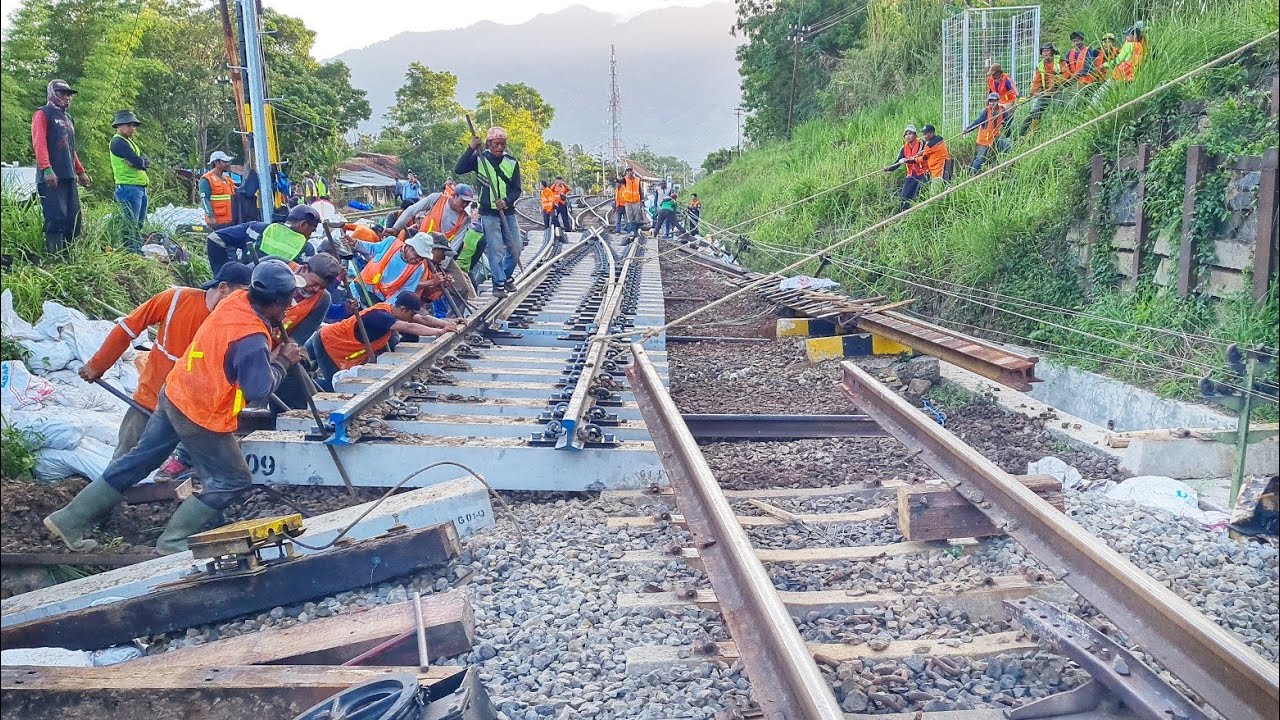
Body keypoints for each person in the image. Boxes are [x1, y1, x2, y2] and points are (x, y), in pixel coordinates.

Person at [44, 260, 306, 554]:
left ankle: (68, 519)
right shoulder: (251, 339)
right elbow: (258, 389)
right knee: (232, 479)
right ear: (277, 302)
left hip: (175, 392)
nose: (290, 307)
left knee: (139, 460)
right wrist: (283, 360)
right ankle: (173, 541)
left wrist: (270, 336)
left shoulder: (236, 300)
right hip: (201, 411)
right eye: (288, 301)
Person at [78, 263, 252, 467]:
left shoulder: (234, 322)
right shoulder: (175, 300)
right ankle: (111, 485)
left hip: (197, 412)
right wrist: (97, 365)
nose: (244, 301)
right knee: (124, 459)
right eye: (242, 293)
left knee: (195, 467)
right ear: (223, 288)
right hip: (152, 399)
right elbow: (127, 328)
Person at [308, 290, 453, 391]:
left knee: (311, 367)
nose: (413, 317)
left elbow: (422, 319)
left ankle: (307, 380)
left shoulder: (393, 311)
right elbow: (409, 327)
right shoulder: (381, 315)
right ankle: (306, 390)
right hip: (327, 342)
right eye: (412, 313)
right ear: (403, 309)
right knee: (335, 384)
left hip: (337, 345)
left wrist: (446, 324)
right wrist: (438, 332)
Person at [455, 126, 523, 298]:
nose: (499, 147)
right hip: (488, 213)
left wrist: (506, 201)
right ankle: (498, 283)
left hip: (508, 212)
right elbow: (459, 169)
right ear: (488, 143)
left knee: (516, 248)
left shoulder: (511, 162)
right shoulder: (479, 158)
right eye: (496, 144)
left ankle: (505, 275)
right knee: (496, 249)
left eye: (503, 144)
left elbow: (517, 190)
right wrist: (470, 148)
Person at [32, 79, 90, 255]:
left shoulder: (68, 118)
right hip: (51, 177)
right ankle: (54, 257)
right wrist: (47, 169)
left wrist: (80, 172)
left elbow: (70, 149)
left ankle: (68, 257)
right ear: (52, 93)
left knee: (73, 218)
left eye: (69, 95)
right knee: (56, 217)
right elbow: (39, 143)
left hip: (69, 176)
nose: (67, 97)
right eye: (63, 93)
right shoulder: (42, 114)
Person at [206, 204, 320, 273]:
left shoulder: (256, 228)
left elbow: (214, 238)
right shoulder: (307, 248)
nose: (310, 236)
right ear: (303, 224)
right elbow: (307, 279)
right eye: (311, 231)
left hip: (243, 287)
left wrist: (223, 272)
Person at [109, 110, 149, 251]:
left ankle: (136, 250)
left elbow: (143, 161)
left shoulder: (129, 142)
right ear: (119, 126)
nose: (133, 128)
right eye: (129, 125)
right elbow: (138, 161)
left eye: (133, 125)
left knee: (138, 223)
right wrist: (139, 162)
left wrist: (140, 162)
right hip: (128, 187)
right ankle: (130, 251)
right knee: (130, 222)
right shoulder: (118, 142)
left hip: (138, 186)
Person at [356, 229, 434, 301]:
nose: (418, 260)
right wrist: (356, 243)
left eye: (422, 258)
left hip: (380, 299)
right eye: (417, 255)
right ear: (409, 247)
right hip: (361, 284)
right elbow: (372, 249)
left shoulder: (418, 268)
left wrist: (384, 307)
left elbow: (405, 291)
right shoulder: (391, 242)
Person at [282, 252, 343, 344]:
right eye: (315, 283)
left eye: (322, 287)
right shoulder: (280, 266)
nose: (316, 289)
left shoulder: (323, 299)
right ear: (304, 269)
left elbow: (297, 338)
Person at [1023, 44, 1069, 133]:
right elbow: (1037, 81)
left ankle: (1057, 131)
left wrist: (1056, 83)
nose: (1045, 53)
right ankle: (1033, 133)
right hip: (1046, 92)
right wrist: (1033, 93)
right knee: (1036, 110)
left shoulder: (1060, 61)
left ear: (1052, 52)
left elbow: (1066, 74)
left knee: (1057, 109)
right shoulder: (1040, 65)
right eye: (1043, 51)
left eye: (1047, 51)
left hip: (1060, 89)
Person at [883, 125, 927, 212]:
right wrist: (889, 168)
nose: (908, 136)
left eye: (910, 133)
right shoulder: (904, 148)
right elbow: (898, 162)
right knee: (904, 197)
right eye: (906, 134)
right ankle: (904, 213)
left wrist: (906, 160)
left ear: (915, 135)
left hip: (923, 173)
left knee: (921, 193)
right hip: (911, 174)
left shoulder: (922, 143)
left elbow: (917, 157)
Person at [965, 93, 1011, 173]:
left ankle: (999, 163)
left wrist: (1008, 135)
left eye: (994, 101)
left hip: (995, 138)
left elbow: (1007, 123)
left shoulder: (1002, 110)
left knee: (1007, 145)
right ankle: (972, 174)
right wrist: (968, 129)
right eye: (990, 101)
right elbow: (977, 122)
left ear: (998, 101)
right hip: (984, 140)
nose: (992, 103)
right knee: (980, 159)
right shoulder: (986, 111)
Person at [200, 151, 237, 229]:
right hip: (216, 221)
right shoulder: (207, 179)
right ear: (216, 163)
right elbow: (204, 199)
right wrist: (210, 216)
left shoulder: (228, 179)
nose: (227, 164)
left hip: (229, 220)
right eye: (225, 162)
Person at [987, 64, 1019, 129]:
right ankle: (996, 130)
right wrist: (987, 105)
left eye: (994, 73)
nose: (992, 75)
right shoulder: (990, 79)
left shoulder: (1006, 78)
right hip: (997, 102)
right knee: (991, 115)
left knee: (1004, 115)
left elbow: (1014, 89)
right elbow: (989, 93)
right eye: (991, 74)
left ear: (999, 72)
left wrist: (1019, 96)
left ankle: (1006, 126)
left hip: (1008, 102)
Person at [620, 167, 644, 242]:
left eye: (630, 171)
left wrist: (641, 200)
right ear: (626, 172)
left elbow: (640, 190)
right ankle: (634, 231)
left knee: (637, 215)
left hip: (636, 201)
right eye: (628, 171)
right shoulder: (624, 179)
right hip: (628, 201)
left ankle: (635, 230)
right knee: (630, 216)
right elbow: (619, 181)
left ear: (633, 172)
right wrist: (617, 178)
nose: (629, 172)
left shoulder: (637, 179)